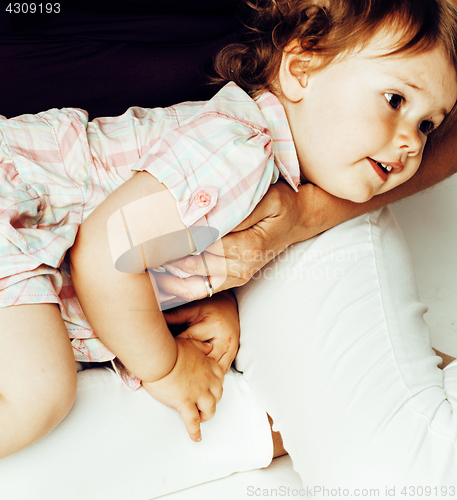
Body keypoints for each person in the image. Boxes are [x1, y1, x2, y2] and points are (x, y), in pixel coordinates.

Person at [1, 0, 457, 462]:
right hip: (14, 203)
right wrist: (167, 368)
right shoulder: (239, 157)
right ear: (301, 68)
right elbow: (105, 255)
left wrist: (210, 303)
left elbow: (154, 255)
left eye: (426, 125)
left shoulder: (260, 168)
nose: (412, 142)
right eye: (396, 100)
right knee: (40, 391)